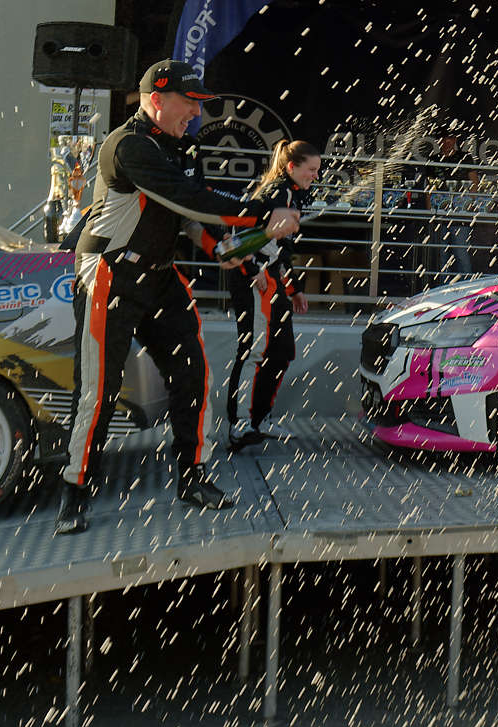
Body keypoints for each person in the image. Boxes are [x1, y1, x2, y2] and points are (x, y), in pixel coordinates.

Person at [54, 61, 301, 536]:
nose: (195, 113)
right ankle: (75, 491)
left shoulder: (182, 146)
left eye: (198, 104)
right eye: (189, 103)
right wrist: (262, 214)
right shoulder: (127, 145)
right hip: (110, 274)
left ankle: (192, 477)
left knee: (194, 376)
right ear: (156, 99)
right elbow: (187, 198)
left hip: (162, 276)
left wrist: (226, 250)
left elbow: (189, 219)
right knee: (99, 391)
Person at [209, 140, 319, 453]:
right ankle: (239, 424)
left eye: (317, 170)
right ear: (291, 167)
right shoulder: (275, 192)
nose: (315, 176)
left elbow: (281, 248)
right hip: (253, 280)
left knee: (282, 351)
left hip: (272, 279)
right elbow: (239, 235)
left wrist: (293, 288)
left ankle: (260, 418)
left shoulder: (292, 193)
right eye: (311, 169)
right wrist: (252, 267)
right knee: (254, 350)